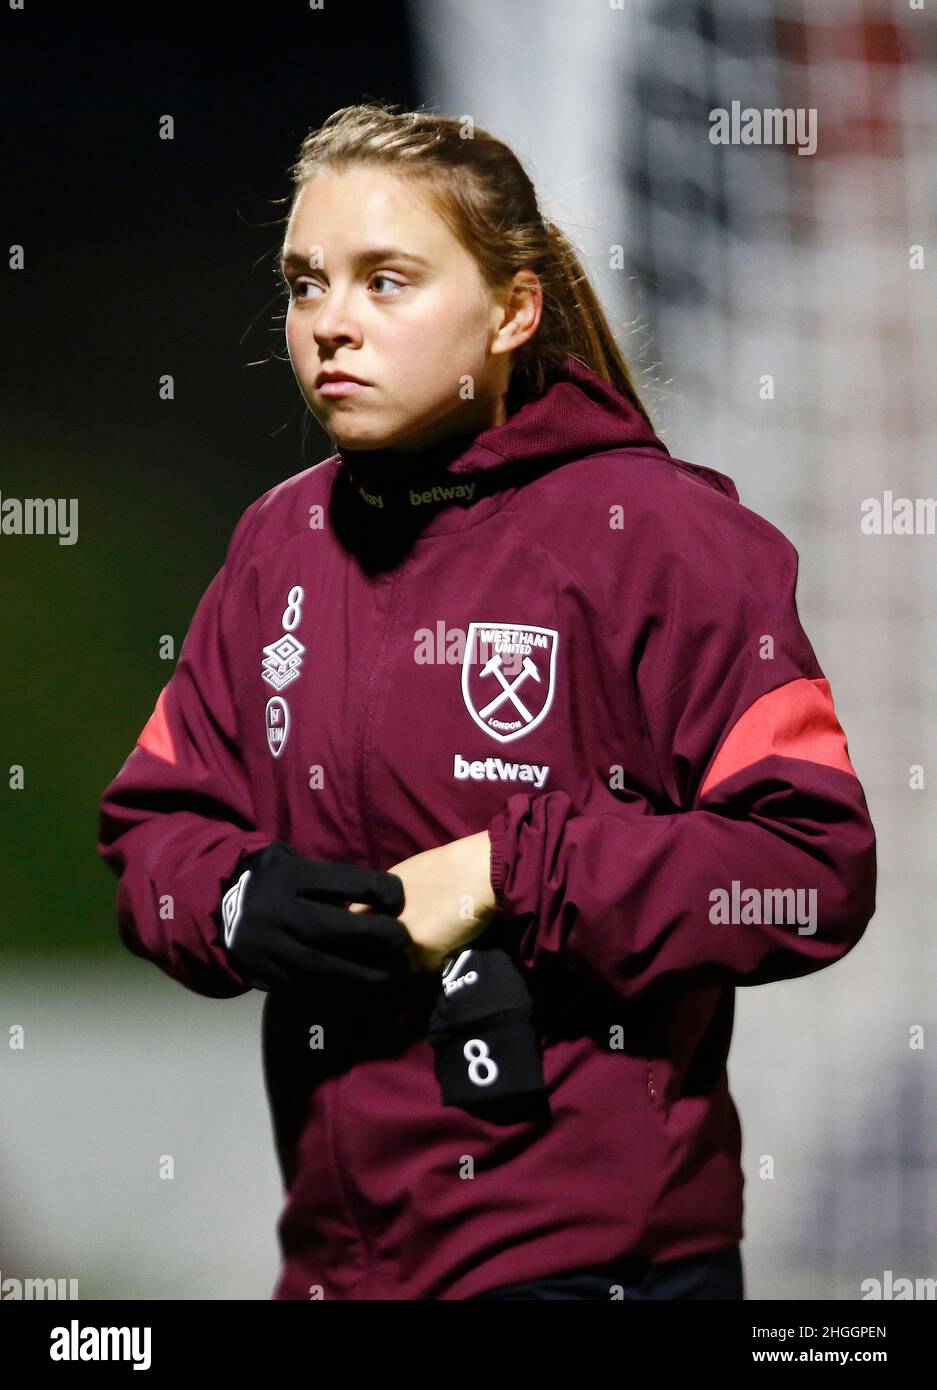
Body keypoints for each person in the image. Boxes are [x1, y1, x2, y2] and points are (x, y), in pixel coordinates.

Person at [96, 101, 877, 1301]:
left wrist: (515, 875)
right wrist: (236, 896)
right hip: (335, 1264)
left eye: (387, 280)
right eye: (307, 285)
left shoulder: (663, 538)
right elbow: (152, 833)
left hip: (595, 1267)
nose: (333, 324)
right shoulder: (279, 540)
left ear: (512, 313)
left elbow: (809, 864)